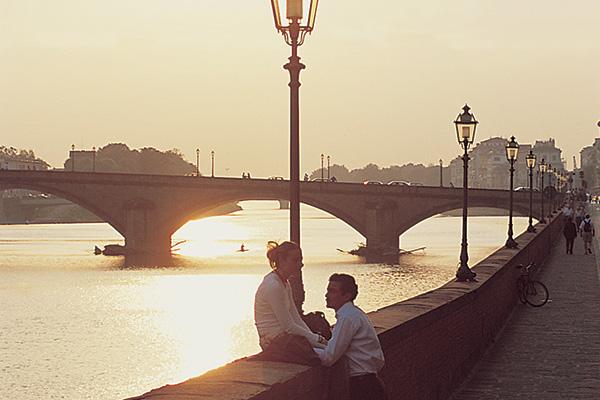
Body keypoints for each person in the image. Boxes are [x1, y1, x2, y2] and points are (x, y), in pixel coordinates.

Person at [253, 241, 327, 365]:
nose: (301, 264)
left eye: (301, 260)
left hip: (286, 339)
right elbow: (288, 326)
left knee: (329, 352)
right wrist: (317, 340)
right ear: (282, 260)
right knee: (326, 356)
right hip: (274, 342)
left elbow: (295, 318)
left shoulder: (284, 283)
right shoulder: (273, 286)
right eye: (295, 260)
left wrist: (316, 339)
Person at [315, 273, 387, 400]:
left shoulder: (347, 318)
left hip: (362, 387)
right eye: (328, 290)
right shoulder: (354, 314)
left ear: (347, 295)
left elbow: (329, 357)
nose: (326, 295)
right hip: (368, 383)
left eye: (332, 291)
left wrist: (303, 349)